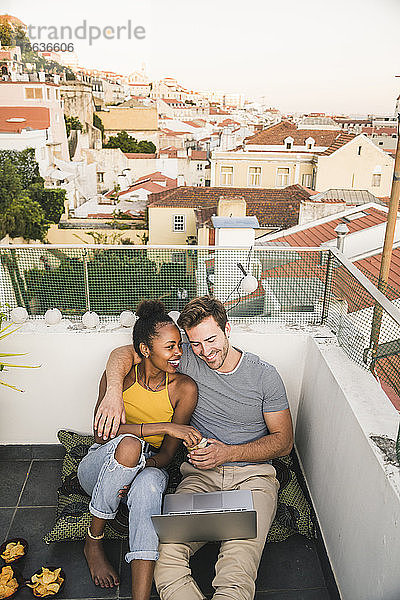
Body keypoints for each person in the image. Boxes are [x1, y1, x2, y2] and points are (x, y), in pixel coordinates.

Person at [95, 296, 294, 600]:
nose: (205, 351)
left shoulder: (264, 376)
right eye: (196, 343)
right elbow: (123, 353)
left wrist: (229, 453)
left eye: (211, 339)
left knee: (236, 572)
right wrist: (112, 393)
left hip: (253, 480)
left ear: (228, 329)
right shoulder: (186, 356)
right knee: (164, 559)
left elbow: (283, 441)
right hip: (200, 479)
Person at [77, 300, 202, 600]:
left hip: (147, 467)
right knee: (130, 445)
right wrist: (164, 427)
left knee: (147, 487)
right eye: (170, 347)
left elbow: (167, 456)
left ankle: (141, 597)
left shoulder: (184, 389)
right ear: (145, 350)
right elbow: (101, 433)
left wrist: (138, 471)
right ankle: (93, 542)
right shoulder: (120, 377)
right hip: (100, 466)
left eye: (179, 346)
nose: (178, 354)